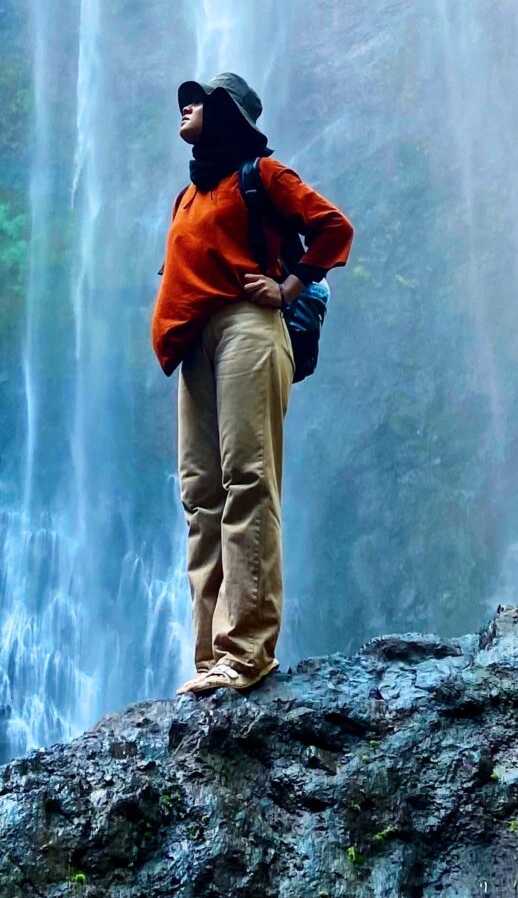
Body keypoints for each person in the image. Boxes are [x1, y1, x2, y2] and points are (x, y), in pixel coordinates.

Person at [151, 69, 353, 695]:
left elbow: (333, 228)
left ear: (230, 114)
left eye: (200, 102)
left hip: (247, 329)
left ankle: (247, 651)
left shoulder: (263, 176)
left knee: (247, 481)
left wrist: (288, 286)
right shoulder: (190, 196)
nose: (185, 108)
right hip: (196, 345)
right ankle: (211, 656)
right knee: (201, 496)